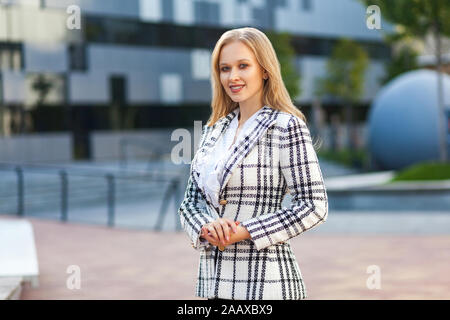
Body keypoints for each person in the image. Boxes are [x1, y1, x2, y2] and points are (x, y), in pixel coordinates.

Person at [179, 27, 328, 300]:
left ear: (265, 70)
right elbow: (190, 202)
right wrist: (206, 227)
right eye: (225, 68)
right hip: (214, 282)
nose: (232, 76)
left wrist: (245, 230)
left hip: (265, 283)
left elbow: (314, 206)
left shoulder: (285, 126)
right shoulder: (214, 130)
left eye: (243, 66)